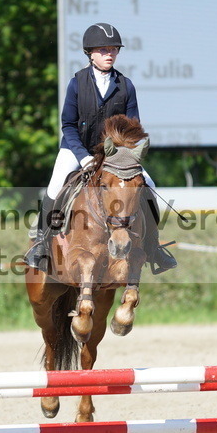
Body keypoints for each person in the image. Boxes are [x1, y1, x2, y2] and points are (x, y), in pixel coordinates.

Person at [25, 22, 177, 273]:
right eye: (104, 50)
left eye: (113, 49)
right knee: (55, 185)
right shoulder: (77, 83)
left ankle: (153, 246)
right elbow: (68, 125)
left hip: (115, 155)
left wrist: (124, 154)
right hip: (77, 149)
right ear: (90, 53)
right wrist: (83, 157)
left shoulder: (125, 85)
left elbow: (133, 126)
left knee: (149, 185)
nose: (109, 54)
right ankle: (41, 242)